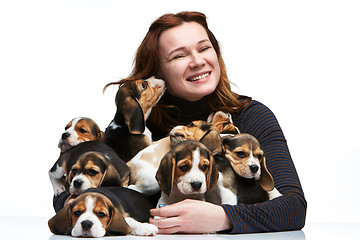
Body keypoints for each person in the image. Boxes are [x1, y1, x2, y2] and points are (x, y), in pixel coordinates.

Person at [53, 11, 307, 234]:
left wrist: (222, 217)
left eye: (204, 48)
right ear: (158, 72)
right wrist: (71, 203)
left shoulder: (251, 116)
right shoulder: (137, 129)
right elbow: (74, 189)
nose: (197, 61)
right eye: (179, 56)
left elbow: (294, 208)